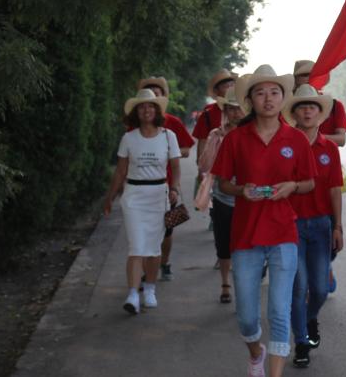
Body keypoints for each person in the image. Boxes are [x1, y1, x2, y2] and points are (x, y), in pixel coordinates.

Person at [211, 65, 316, 377]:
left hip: (283, 232)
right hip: (246, 235)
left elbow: (309, 182)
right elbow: (222, 183)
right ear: (250, 100)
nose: (268, 99)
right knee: (246, 316)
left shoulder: (296, 139)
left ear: (283, 98)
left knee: (279, 311)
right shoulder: (235, 139)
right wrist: (241, 190)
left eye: (274, 92)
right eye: (260, 93)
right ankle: (256, 351)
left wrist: (292, 186)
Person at [103, 88, 181, 315]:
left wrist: (175, 188)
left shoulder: (168, 136)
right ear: (136, 113)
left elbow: (176, 168)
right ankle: (132, 295)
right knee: (136, 247)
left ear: (157, 110)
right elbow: (120, 171)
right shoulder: (128, 138)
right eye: (142, 107)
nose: (146, 110)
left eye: (150, 106)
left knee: (154, 249)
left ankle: (150, 289)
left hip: (158, 196)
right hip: (134, 197)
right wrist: (109, 197)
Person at [282, 84, 344, 368]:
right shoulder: (284, 145)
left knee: (320, 289)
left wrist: (337, 226)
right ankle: (301, 342)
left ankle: (309, 318)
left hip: (321, 225)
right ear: (294, 113)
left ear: (321, 114)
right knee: (299, 286)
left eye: (312, 107)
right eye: (302, 107)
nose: (307, 112)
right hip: (290, 225)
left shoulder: (329, 148)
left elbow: (334, 189)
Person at [138, 76, 195, 282]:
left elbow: (187, 149)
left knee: (166, 231)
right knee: (144, 232)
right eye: (149, 94)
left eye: (157, 94)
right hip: (141, 188)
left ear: (163, 98)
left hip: (167, 185)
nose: (153, 98)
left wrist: (167, 152)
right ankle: (146, 271)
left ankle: (164, 263)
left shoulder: (173, 122)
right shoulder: (134, 126)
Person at [195, 87, 245, 303]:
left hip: (249, 198)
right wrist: (216, 144)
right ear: (225, 111)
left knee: (245, 245)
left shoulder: (254, 134)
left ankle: (243, 285)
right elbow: (204, 165)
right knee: (223, 244)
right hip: (223, 197)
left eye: (239, 108)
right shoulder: (216, 135)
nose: (235, 113)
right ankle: (225, 283)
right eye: (231, 109)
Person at [293, 60, 346, 147]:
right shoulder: (286, 107)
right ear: (295, 81)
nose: (309, 78)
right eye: (304, 75)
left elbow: (341, 140)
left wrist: (313, 137)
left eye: (312, 75)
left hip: (325, 153)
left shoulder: (335, 106)